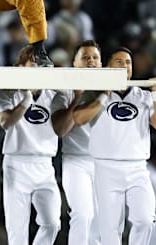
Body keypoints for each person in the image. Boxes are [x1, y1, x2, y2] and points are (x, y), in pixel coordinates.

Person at [73, 46, 156, 245]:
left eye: (128, 62)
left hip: (137, 168)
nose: (125, 66)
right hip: (106, 168)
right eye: (119, 61)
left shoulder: (143, 96)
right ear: (108, 66)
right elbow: (78, 118)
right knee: (110, 231)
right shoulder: (95, 94)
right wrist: (103, 95)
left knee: (145, 219)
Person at [0, 45, 61, 245]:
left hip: (45, 164)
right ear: (21, 67)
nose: (37, 68)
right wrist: (26, 100)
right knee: (17, 229)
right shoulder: (7, 93)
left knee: (52, 223)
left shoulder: (54, 95)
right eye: (32, 63)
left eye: (40, 63)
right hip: (17, 162)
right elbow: (6, 122)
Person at [50, 40, 101, 245]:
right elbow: (60, 129)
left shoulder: (110, 90)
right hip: (76, 161)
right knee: (82, 215)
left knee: (100, 220)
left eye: (95, 58)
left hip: (102, 162)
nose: (91, 61)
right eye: (85, 57)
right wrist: (76, 99)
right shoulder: (64, 92)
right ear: (75, 63)